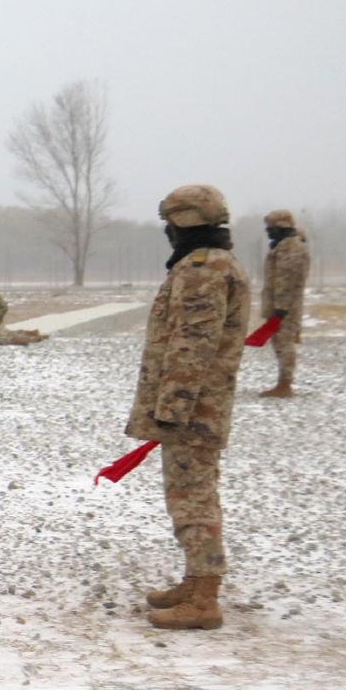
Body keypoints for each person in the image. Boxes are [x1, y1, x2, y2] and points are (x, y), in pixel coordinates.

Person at [129, 185, 249, 630]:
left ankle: (204, 597)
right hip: (199, 404)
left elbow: (192, 344)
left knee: (191, 496)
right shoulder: (209, 264)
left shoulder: (202, 269)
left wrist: (172, 407)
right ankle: (198, 581)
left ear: (183, 222)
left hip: (192, 408)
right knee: (194, 493)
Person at [260, 208, 311, 397]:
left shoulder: (292, 249)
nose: (268, 231)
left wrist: (280, 309)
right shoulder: (282, 246)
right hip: (280, 304)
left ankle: (285, 383)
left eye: (270, 227)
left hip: (285, 306)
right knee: (279, 341)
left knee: (284, 342)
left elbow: (287, 280)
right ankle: (283, 382)